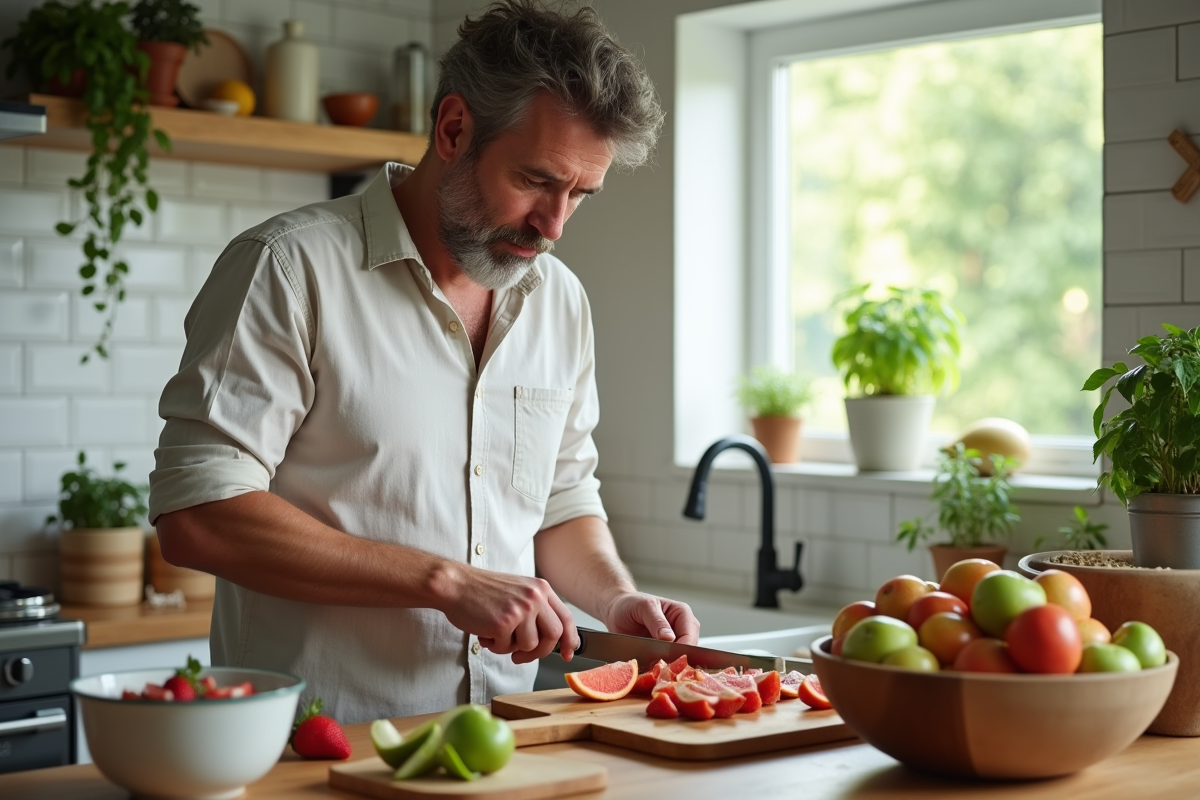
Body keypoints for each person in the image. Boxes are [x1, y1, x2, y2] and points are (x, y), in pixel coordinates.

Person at [148, 0, 699, 724]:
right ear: (453, 129)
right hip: (318, 750)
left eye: (580, 194)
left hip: (502, 744)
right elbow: (199, 514)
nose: (555, 225)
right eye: (536, 180)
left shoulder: (559, 301)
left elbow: (560, 500)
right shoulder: (288, 267)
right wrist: (444, 581)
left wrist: (615, 597)